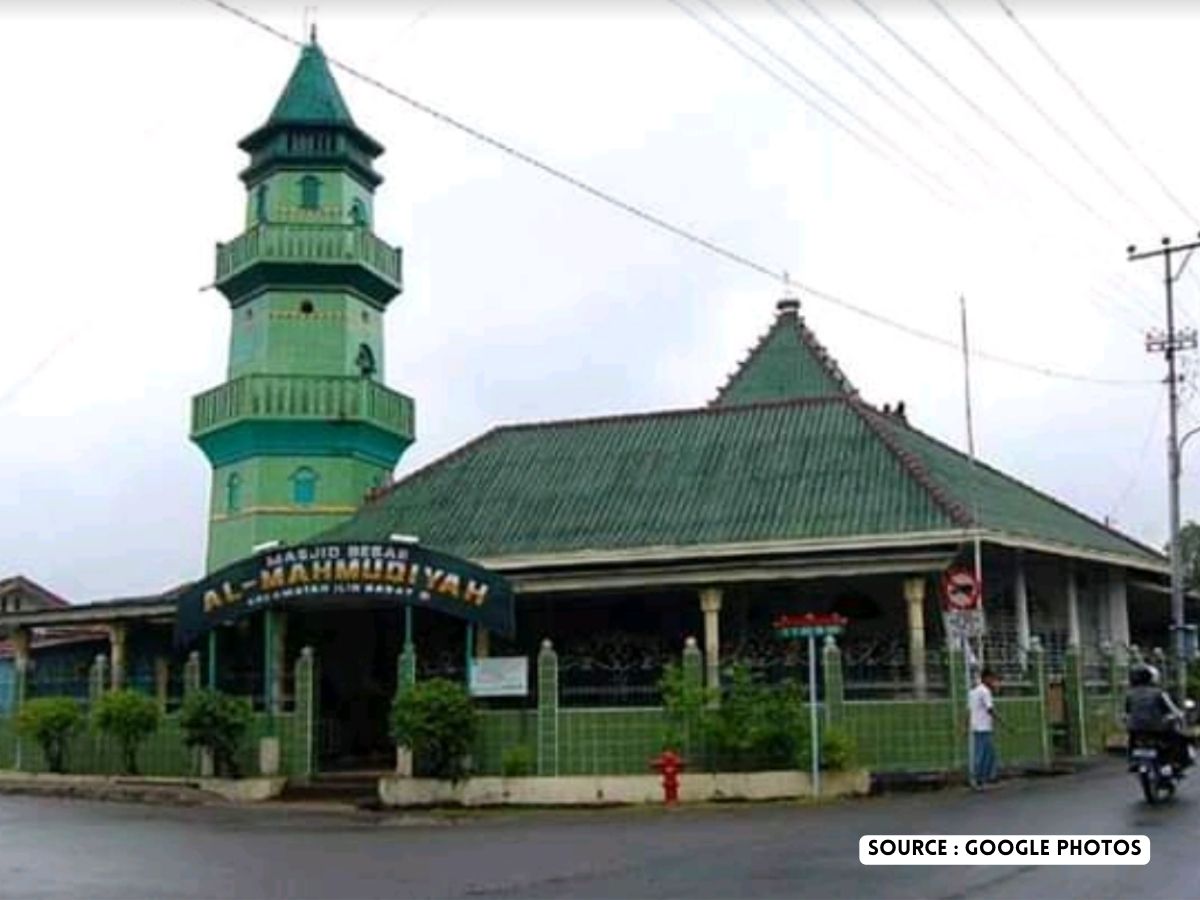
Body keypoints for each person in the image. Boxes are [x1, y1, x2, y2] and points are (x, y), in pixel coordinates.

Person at [1125, 664, 1194, 771]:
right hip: (1157, 727)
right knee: (1177, 738)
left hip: (1136, 728)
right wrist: (1180, 715)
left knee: (1132, 738)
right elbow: (1173, 709)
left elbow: (1128, 712)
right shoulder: (1159, 693)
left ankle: (1132, 760)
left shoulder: (1130, 694)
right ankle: (1177, 762)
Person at [968, 667, 1002, 790]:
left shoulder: (973, 691)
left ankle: (982, 779)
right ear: (986, 678)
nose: (993, 681)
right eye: (992, 679)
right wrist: (1002, 721)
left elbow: (969, 710)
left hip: (976, 726)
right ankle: (979, 779)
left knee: (983, 753)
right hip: (983, 727)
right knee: (985, 754)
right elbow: (990, 709)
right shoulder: (985, 692)